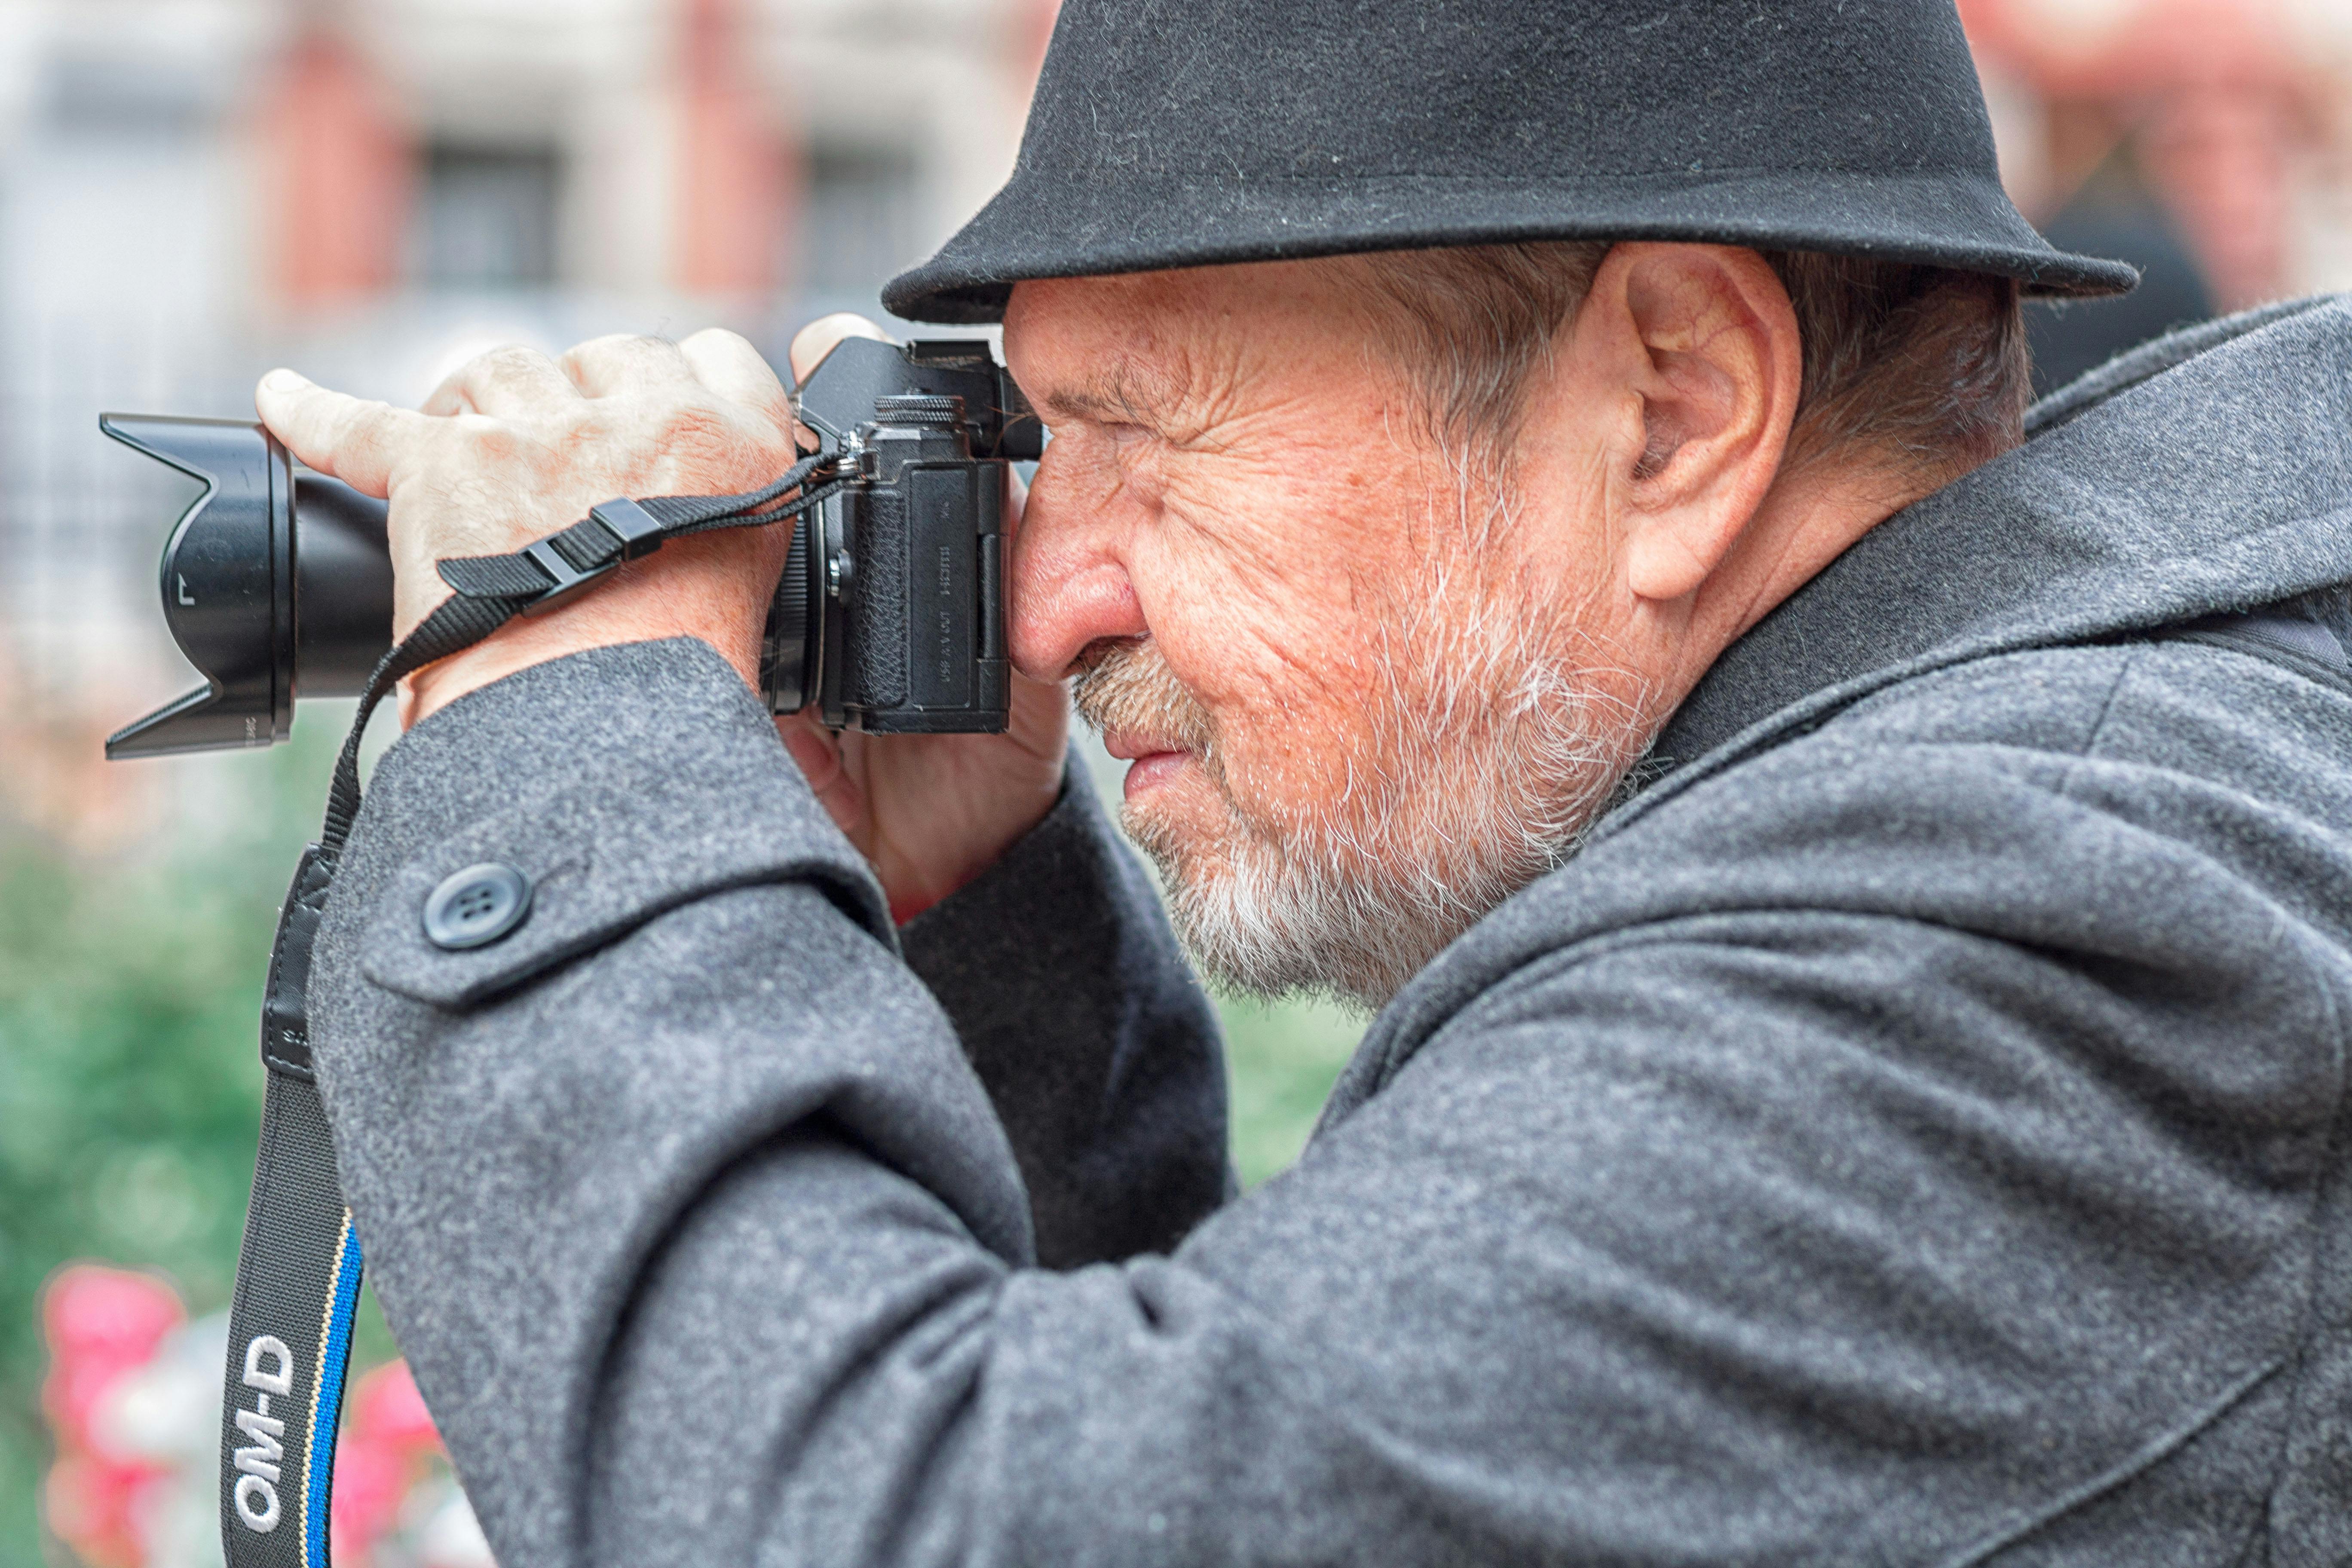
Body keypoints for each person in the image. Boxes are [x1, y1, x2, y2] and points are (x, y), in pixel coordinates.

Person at [258, 0, 2352, 1561]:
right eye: (1035, 451)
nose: (1052, 601)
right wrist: (992, 945)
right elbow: (1338, 1466)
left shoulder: (2035, 922)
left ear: (1678, 407)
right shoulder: (2042, 789)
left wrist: (571, 727)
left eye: (1147, 437)